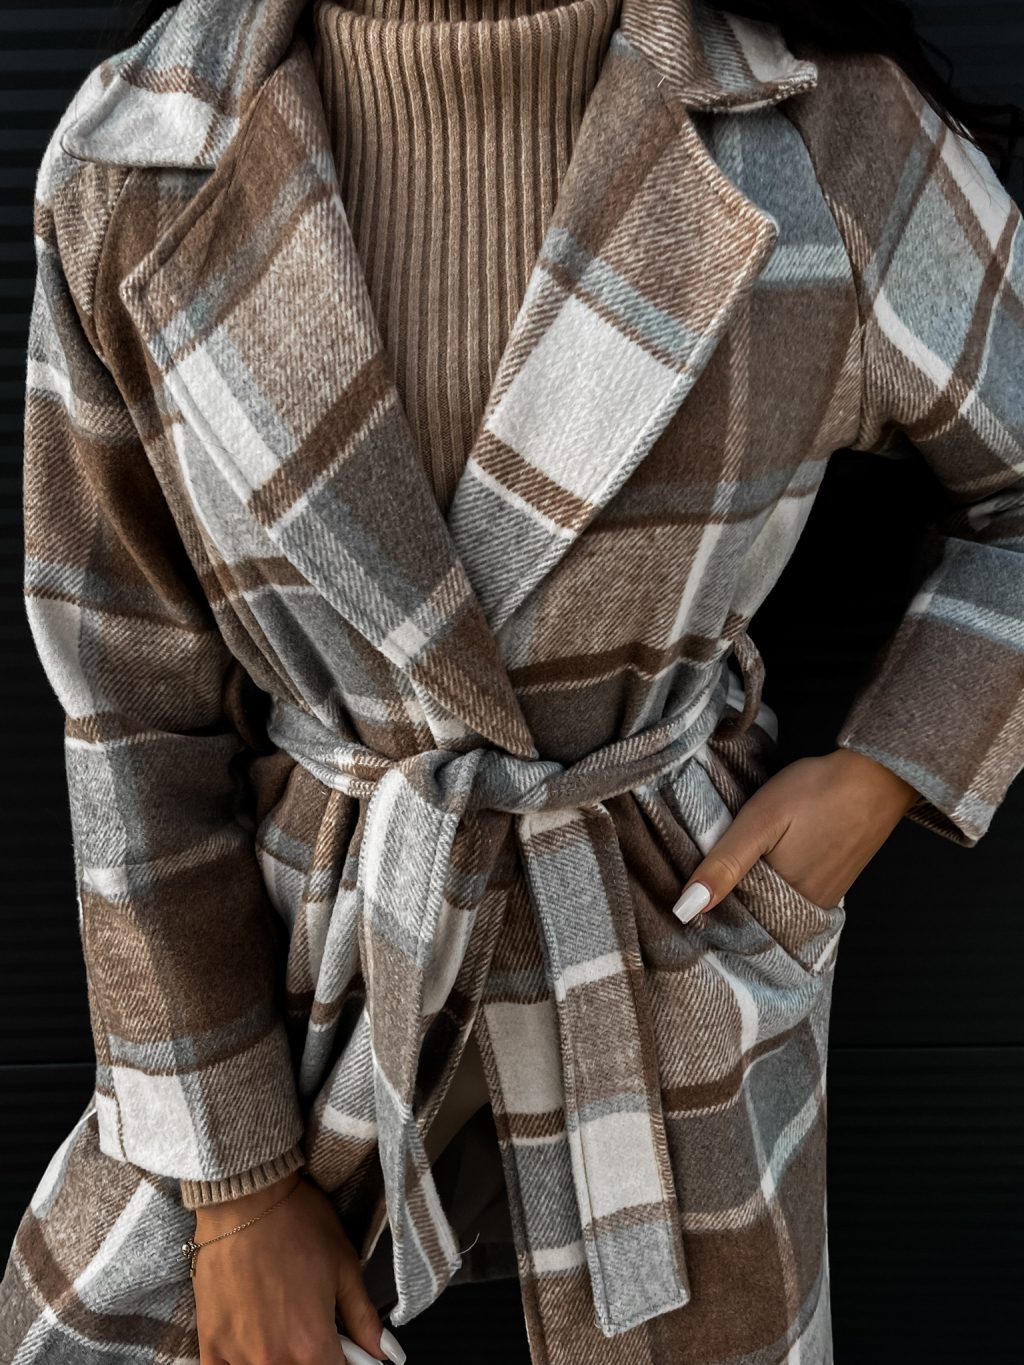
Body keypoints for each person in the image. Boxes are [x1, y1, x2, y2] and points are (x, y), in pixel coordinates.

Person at [2, 0, 1023, 1361]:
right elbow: (128, 699)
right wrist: (235, 1188)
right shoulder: (139, 155)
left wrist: (889, 772)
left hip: (668, 976)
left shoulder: (826, 134)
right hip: (299, 1002)